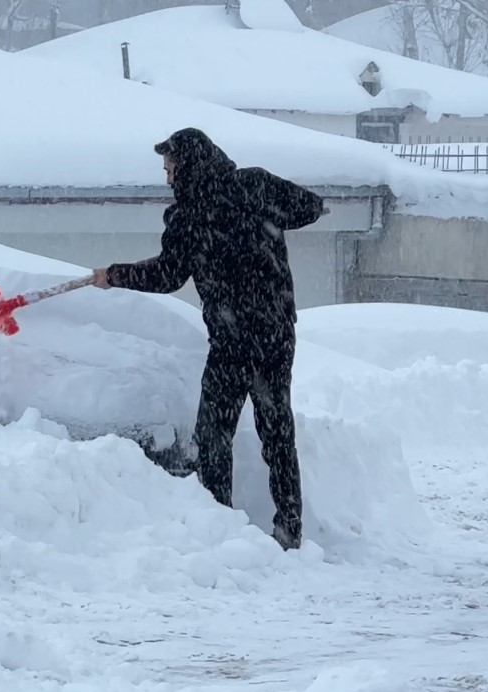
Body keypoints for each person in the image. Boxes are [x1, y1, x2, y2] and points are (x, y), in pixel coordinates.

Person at [92, 127, 325, 551]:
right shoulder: (253, 185)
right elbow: (309, 207)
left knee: (215, 434)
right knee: (277, 431)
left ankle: (221, 524)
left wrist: (115, 275)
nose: (167, 177)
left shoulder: (190, 216)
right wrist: (277, 209)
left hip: (234, 340)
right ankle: (289, 528)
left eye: (170, 168)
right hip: (275, 332)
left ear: (188, 166)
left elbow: (166, 275)